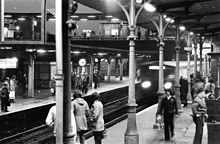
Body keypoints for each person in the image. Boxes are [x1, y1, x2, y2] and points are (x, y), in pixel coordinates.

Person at [191, 79, 208, 144]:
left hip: (201, 116)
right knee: (199, 131)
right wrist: (197, 113)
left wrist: (205, 113)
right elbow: (194, 107)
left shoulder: (201, 99)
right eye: (203, 93)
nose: (204, 94)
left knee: (200, 132)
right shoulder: (197, 99)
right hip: (199, 117)